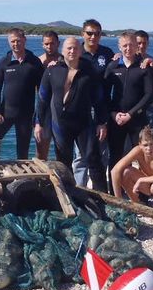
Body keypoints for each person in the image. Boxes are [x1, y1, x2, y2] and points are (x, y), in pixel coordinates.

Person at [35, 37, 107, 191]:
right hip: (60, 125)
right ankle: (68, 196)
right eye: (69, 48)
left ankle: (104, 200)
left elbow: (99, 99)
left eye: (75, 48)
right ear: (62, 50)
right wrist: (39, 123)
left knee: (93, 160)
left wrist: (102, 122)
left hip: (84, 123)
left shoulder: (89, 71)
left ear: (80, 50)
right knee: (63, 163)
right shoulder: (52, 70)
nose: (72, 51)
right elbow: (42, 98)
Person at [105, 31, 153, 185]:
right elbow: (104, 93)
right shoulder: (113, 66)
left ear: (137, 46)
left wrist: (131, 114)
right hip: (116, 119)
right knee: (115, 156)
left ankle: (144, 195)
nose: (128, 48)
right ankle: (115, 193)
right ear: (119, 46)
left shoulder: (144, 67)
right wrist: (113, 113)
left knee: (142, 156)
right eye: (124, 45)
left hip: (137, 120)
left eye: (131, 45)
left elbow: (149, 95)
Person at [0, 28, 43, 159]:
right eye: (12, 41)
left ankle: (22, 178)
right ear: (9, 42)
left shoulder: (34, 62)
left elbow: (41, 92)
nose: (16, 44)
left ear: (24, 40)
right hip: (5, 113)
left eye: (18, 40)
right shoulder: (4, 62)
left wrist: (39, 117)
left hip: (26, 115)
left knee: (22, 153)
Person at [73, 19, 115, 186]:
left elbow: (123, 66)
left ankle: (100, 189)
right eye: (89, 33)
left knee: (102, 152)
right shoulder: (76, 53)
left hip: (103, 107)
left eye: (97, 33)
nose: (93, 36)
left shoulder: (107, 52)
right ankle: (79, 190)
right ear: (83, 34)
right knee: (80, 155)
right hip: (81, 108)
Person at [110, 126, 153, 211]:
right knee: (126, 172)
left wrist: (141, 180)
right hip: (147, 184)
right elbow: (115, 170)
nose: (149, 148)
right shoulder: (137, 151)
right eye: (145, 145)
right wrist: (118, 200)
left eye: (152, 144)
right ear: (140, 145)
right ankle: (137, 204)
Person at [35, 30, 61, 160]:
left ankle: (63, 177)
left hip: (60, 108)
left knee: (61, 148)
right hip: (43, 109)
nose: (49, 47)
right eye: (46, 44)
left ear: (58, 44)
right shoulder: (38, 62)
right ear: (42, 45)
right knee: (41, 148)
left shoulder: (64, 61)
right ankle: (40, 178)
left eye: (52, 43)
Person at [135, 30, 153, 127]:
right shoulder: (127, 60)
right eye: (138, 43)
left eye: (144, 43)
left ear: (148, 43)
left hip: (149, 107)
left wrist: (152, 69)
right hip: (132, 105)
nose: (141, 46)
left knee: (149, 138)